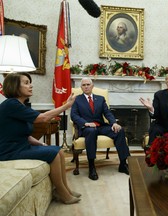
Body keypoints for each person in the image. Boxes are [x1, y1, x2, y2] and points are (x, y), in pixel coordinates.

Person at [0, 72, 81, 204]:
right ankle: (62, 193)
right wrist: (67, 106)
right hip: (9, 151)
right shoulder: (11, 104)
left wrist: (41, 144)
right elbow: (42, 118)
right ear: (14, 86)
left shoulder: (20, 105)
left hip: (20, 146)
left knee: (58, 150)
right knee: (54, 153)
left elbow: (25, 134)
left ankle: (66, 190)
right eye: (26, 83)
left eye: (30, 82)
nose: (31, 86)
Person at [70, 78, 130, 181]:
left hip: (101, 126)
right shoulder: (77, 99)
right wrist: (85, 123)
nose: (86, 86)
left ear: (92, 86)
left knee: (119, 130)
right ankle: (92, 167)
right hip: (87, 128)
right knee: (91, 131)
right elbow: (74, 115)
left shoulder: (100, 99)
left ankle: (123, 164)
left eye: (88, 84)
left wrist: (114, 123)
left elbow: (107, 113)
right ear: (81, 87)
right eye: (84, 85)